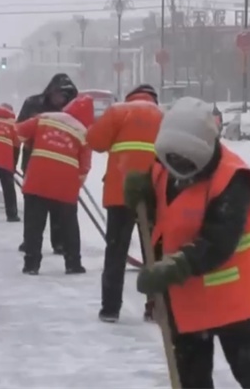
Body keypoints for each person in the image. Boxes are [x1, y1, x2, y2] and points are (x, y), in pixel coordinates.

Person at [122, 97, 250, 389]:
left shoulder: (234, 180)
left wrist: (174, 266)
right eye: (172, 159)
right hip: (187, 299)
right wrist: (141, 196)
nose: (178, 167)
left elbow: (218, 241)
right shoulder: (163, 167)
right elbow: (165, 216)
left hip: (235, 299)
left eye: (186, 161)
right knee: (191, 377)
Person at [85, 84, 163, 323]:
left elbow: (95, 141)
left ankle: (110, 308)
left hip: (121, 192)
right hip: (153, 192)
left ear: (131, 97)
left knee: (116, 251)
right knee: (154, 252)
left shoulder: (119, 111)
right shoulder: (164, 117)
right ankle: (155, 306)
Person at [17, 95, 95, 275]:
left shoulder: (45, 118)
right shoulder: (84, 133)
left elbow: (19, 132)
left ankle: (31, 264)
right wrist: (77, 183)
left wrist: (31, 143)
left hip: (37, 181)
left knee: (34, 225)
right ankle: (73, 262)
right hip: (65, 186)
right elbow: (84, 166)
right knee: (69, 225)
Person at [17, 73, 79, 255]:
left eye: (66, 96)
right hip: (33, 160)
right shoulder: (33, 104)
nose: (62, 99)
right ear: (51, 92)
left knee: (59, 205)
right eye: (59, 94)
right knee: (34, 207)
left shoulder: (72, 110)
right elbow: (19, 128)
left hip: (62, 163)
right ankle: (31, 241)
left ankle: (59, 241)